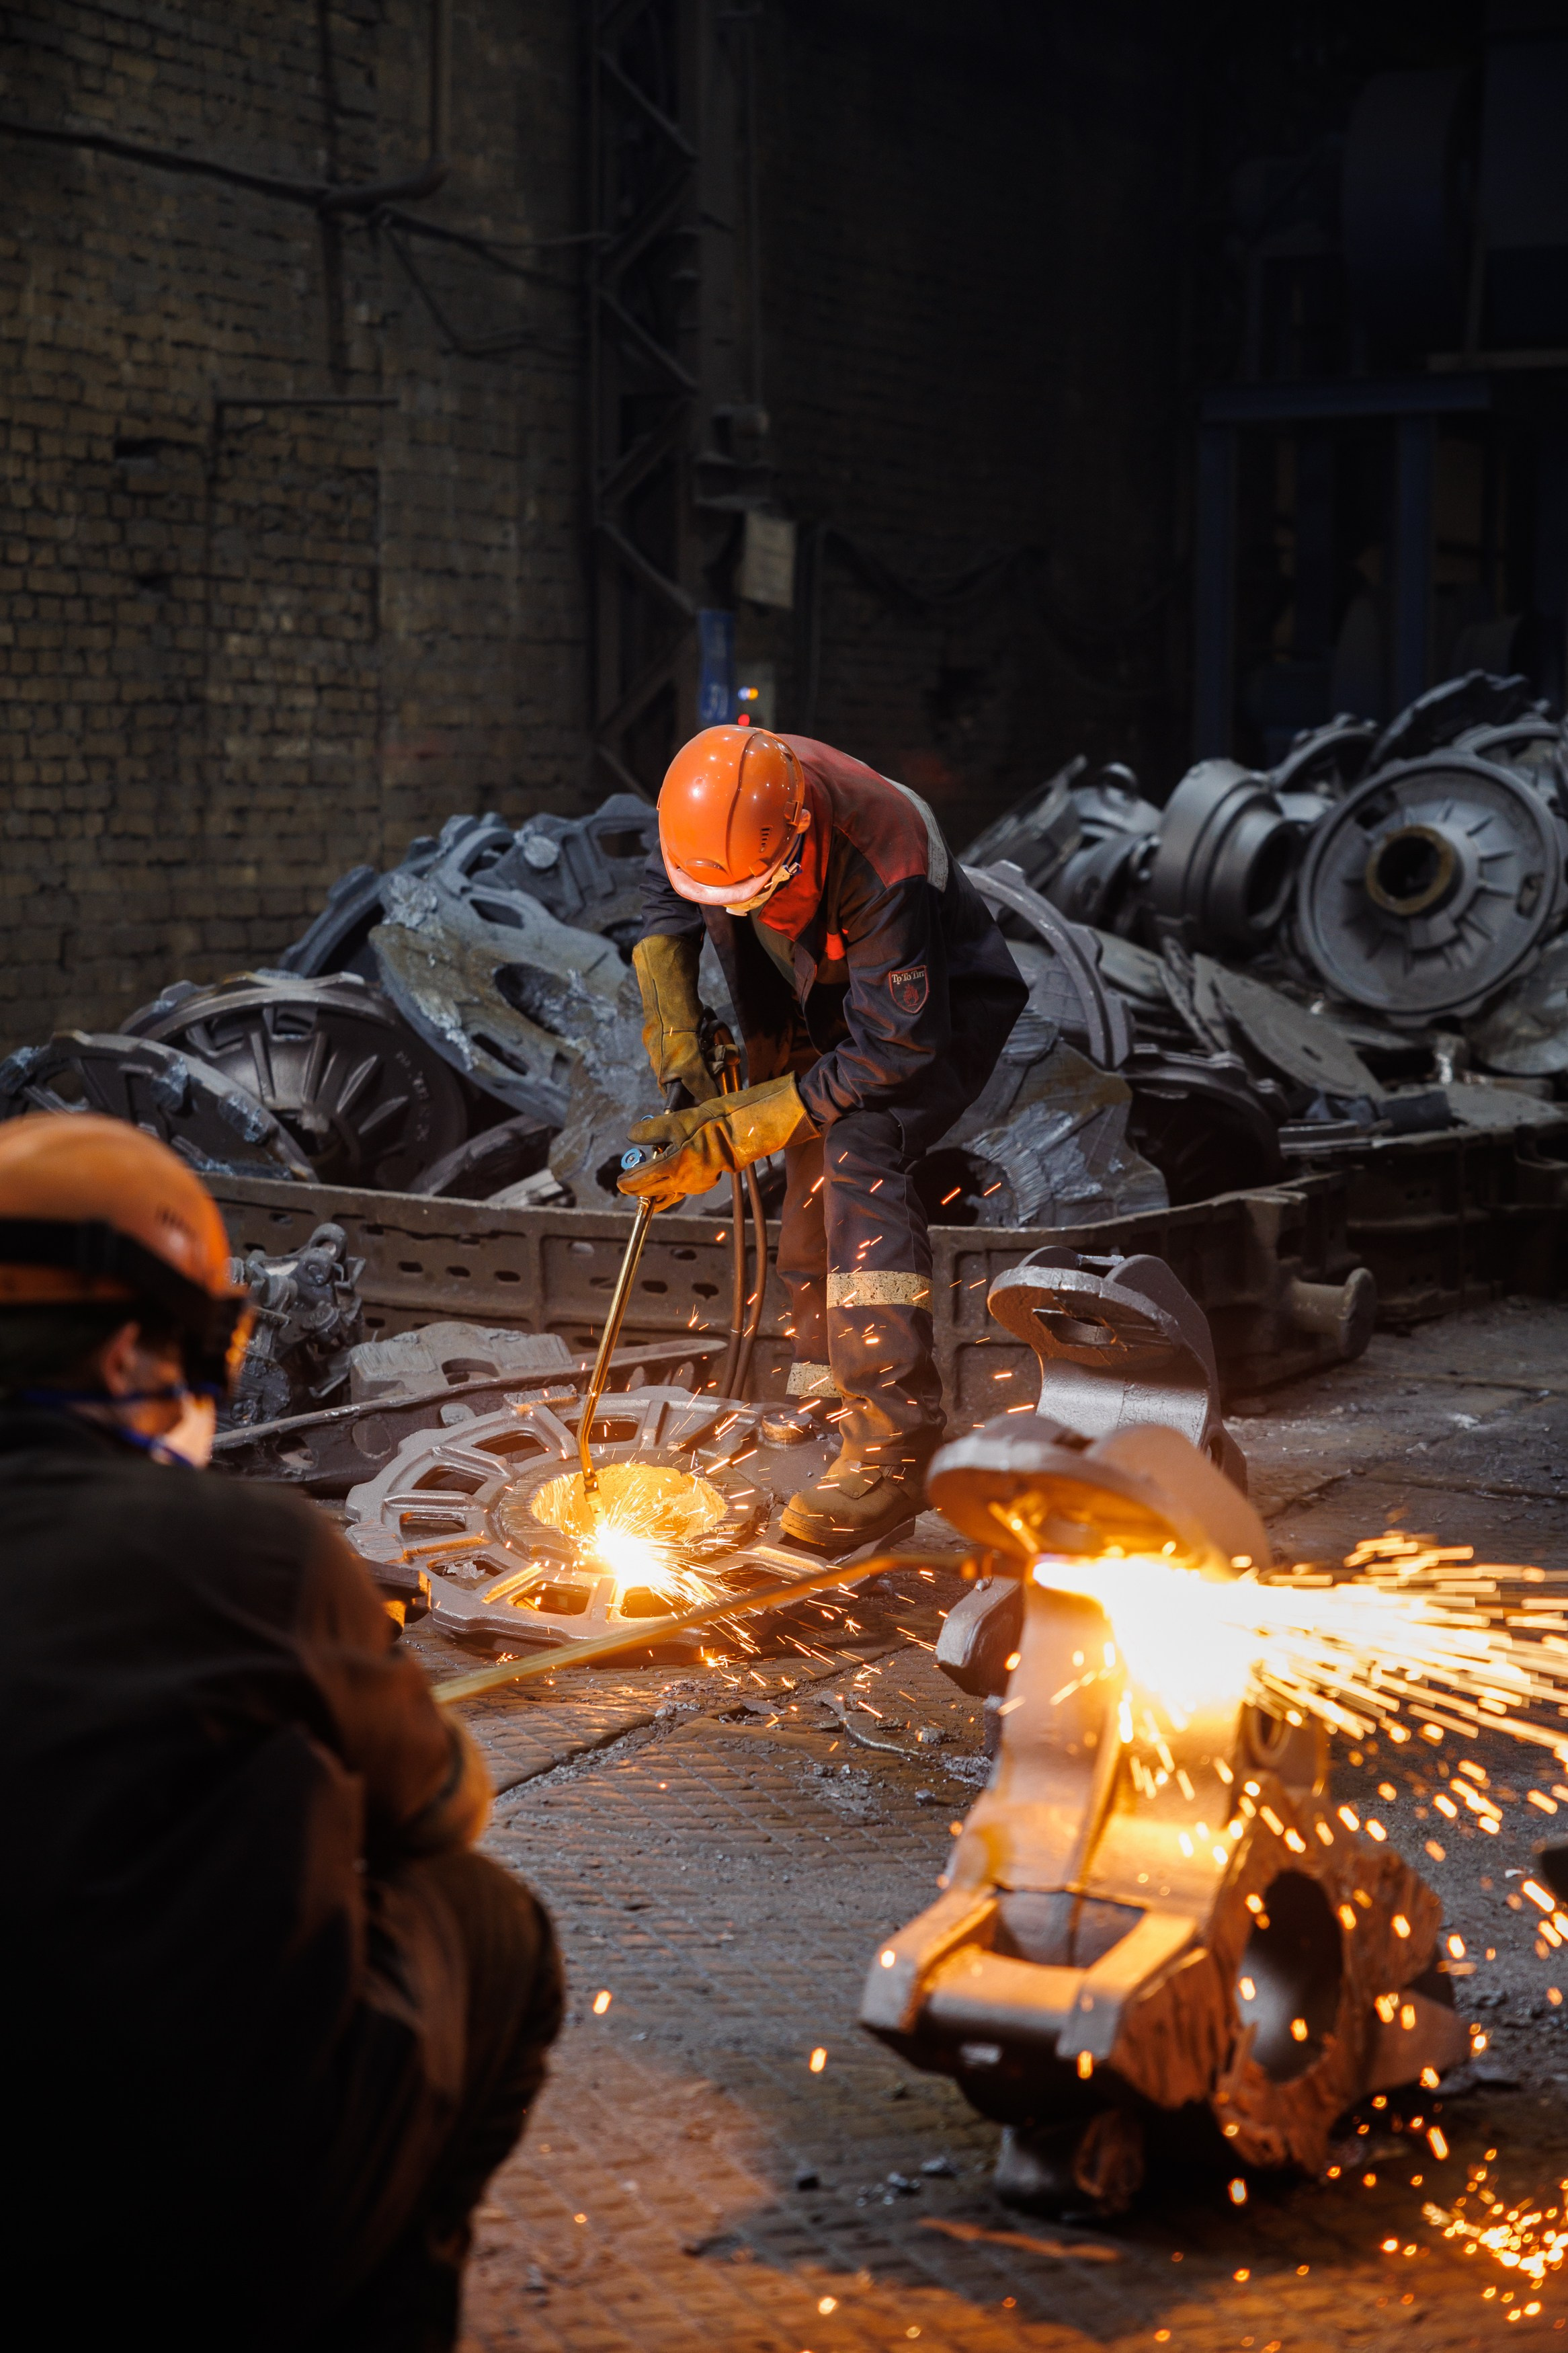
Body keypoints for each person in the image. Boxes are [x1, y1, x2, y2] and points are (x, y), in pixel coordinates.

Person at [0, 1113, 561, 2351]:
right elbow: (442, 1814)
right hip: (174, 2245)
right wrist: (327, 1654)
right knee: (487, 1921)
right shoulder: (249, 1552)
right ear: (150, 1348)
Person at [626, 723, 1027, 1550]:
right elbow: (668, 896)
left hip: (925, 1019)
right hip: (817, 991)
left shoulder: (884, 850)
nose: (731, 910)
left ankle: (896, 1447)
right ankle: (821, 1407)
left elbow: (893, 1045)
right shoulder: (712, 807)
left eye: (750, 890)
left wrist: (740, 1129)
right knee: (808, 1210)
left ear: (798, 834)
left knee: (857, 1157)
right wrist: (677, 1030)